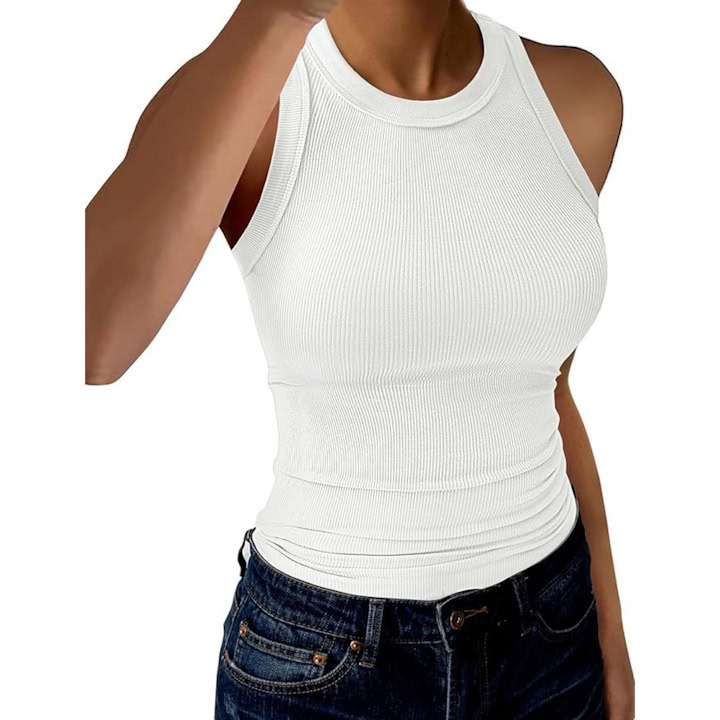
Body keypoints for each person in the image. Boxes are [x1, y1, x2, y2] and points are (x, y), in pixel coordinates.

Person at [85, 1, 634, 717]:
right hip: (324, 666)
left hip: (552, 641)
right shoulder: (252, 100)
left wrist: (611, 635)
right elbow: (93, 340)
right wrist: (278, 13)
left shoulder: (576, 96)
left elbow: (545, 388)